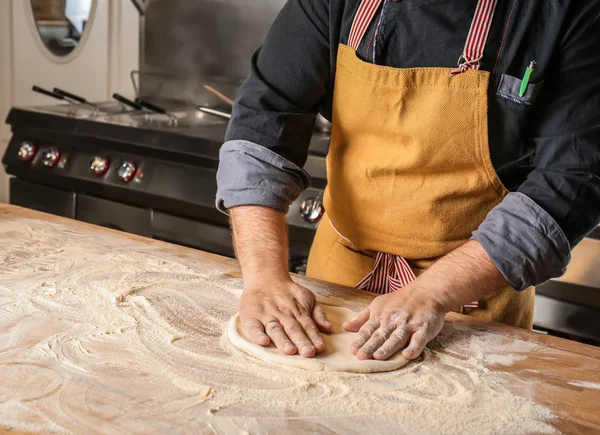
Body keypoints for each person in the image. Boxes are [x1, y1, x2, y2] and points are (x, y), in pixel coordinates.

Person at [216, 0, 600, 361]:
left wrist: (435, 290)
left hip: (471, 299)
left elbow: (574, 181)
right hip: (338, 285)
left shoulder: (563, 12)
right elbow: (265, 122)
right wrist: (264, 277)